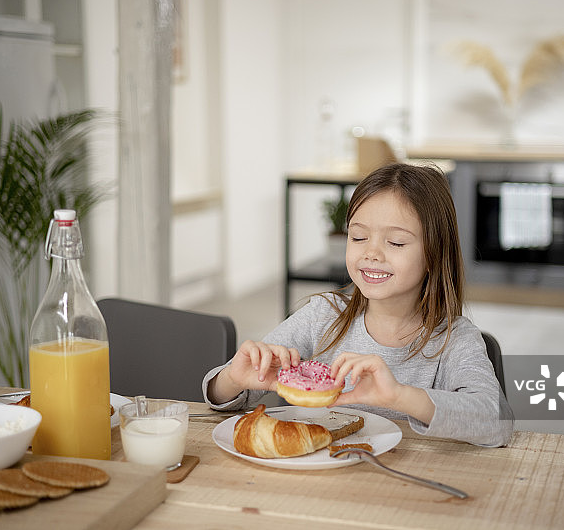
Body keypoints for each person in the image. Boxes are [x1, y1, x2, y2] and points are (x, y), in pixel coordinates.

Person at [203, 163, 513, 447]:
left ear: (434, 252)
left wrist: (400, 397)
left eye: (396, 242)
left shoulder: (453, 339)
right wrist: (233, 378)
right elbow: (216, 393)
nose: (372, 254)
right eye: (359, 237)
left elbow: (497, 422)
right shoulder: (322, 316)